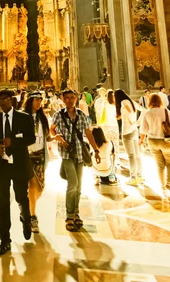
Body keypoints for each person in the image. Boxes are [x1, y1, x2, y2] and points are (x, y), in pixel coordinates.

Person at [0, 89, 36, 256]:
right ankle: (4, 240)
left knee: (21, 196)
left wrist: (13, 142)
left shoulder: (24, 117)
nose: (2, 102)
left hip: (19, 164)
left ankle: (25, 218)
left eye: (5, 99)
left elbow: (31, 138)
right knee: (2, 202)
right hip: (2, 166)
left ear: (12, 100)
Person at [50, 89, 100, 231]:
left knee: (78, 186)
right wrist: (57, 136)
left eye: (73, 98)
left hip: (79, 152)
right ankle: (69, 215)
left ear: (76, 99)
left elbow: (88, 132)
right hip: (66, 154)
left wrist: (95, 150)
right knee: (73, 183)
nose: (70, 100)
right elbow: (52, 129)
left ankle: (76, 214)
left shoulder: (81, 115)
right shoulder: (59, 115)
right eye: (67, 98)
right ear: (63, 99)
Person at [139, 93, 170, 199]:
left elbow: (143, 129)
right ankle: (169, 183)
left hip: (152, 141)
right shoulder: (165, 111)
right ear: (160, 101)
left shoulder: (146, 113)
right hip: (166, 141)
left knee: (160, 165)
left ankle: (163, 188)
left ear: (149, 101)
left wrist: (141, 141)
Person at [23, 91, 50, 233]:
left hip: (40, 155)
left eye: (41, 100)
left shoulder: (43, 117)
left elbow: (46, 136)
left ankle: (27, 208)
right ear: (30, 101)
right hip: (27, 156)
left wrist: (54, 138)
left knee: (40, 187)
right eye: (37, 100)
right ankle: (32, 216)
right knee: (32, 186)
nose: (39, 103)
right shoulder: (23, 116)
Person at [114, 89, 143, 186]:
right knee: (137, 155)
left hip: (127, 132)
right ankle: (139, 176)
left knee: (131, 156)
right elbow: (143, 110)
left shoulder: (123, 102)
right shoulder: (130, 100)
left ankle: (133, 178)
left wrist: (132, 121)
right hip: (134, 130)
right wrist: (137, 123)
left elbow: (130, 112)